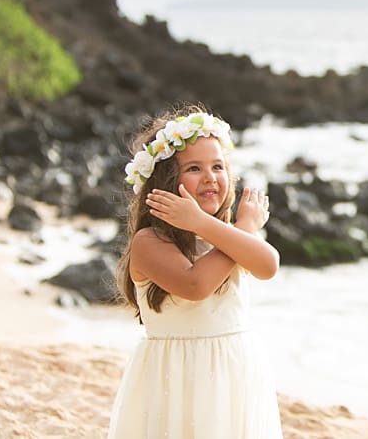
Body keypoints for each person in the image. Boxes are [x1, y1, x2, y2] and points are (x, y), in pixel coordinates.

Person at [108, 105, 284, 439]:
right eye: (194, 168)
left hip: (233, 372)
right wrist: (239, 226)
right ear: (167, 181)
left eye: (218, 166)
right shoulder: (150, 241)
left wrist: (226, 228)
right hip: (177, 375)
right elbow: (195, 284)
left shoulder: (226, 237)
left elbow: (268, 265)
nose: (210, 177)